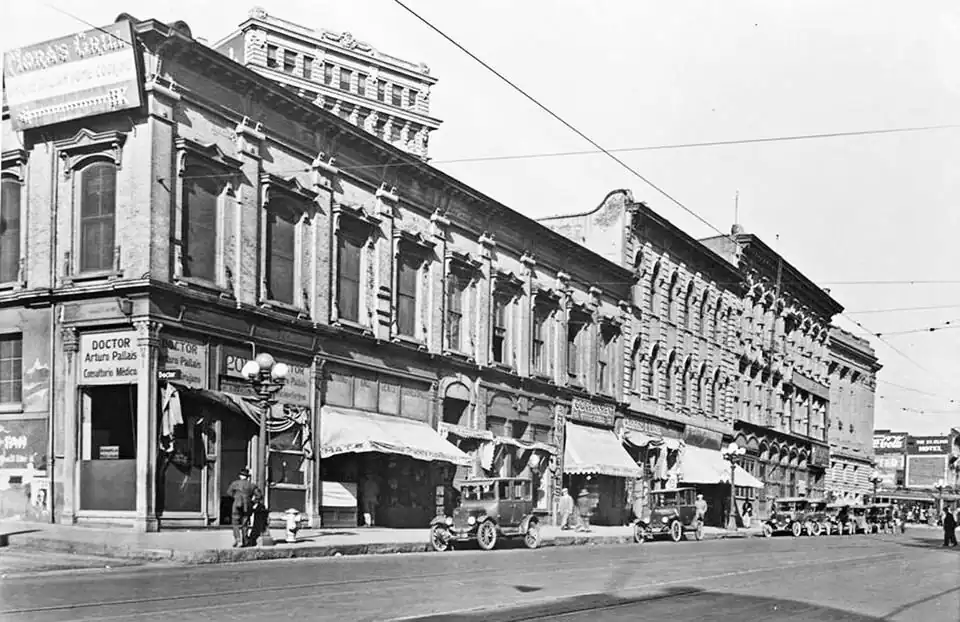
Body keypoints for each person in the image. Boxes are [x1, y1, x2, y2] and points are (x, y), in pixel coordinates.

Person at [226, 468, 262, 548]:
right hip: (248, 505)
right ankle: (245, 540)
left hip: (237, 504)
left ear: (240, 476)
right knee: (245, 523)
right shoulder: (252, 485)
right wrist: (253, 502)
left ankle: (238, 540)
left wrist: (235, 497)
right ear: (247, 477)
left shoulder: (235, 483)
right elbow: (259, 496)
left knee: (235, 522)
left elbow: (229, 493)